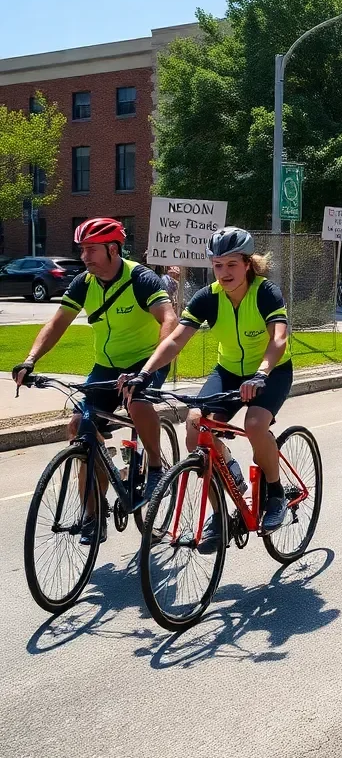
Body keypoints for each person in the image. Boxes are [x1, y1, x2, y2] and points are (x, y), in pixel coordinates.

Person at [124, 227, 295, 547]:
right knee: (195, 426)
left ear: (247, 264)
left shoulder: (265, 292)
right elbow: (176, 340)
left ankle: (274, 493)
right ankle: (221, 510)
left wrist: (261, 373)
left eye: (232, 264)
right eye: (218, 265)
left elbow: (279, 338)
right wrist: (145, 373)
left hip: (271, 371)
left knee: (255, 425)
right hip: (229, 371)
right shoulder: (209, 298)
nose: (225, 272)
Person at [12, 218, 176, 544]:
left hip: (147, 362)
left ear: (113, 249)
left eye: (91, 249)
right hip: (106, 367)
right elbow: (57, 324)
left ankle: (156, 468)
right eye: (82, 249)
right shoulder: (84, 282)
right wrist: (31, 360)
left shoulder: (139, 277)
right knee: (79, 427)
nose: (84, 256)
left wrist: (148, 369)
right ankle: (94, 514)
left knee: (139, 400)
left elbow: (168, 319)